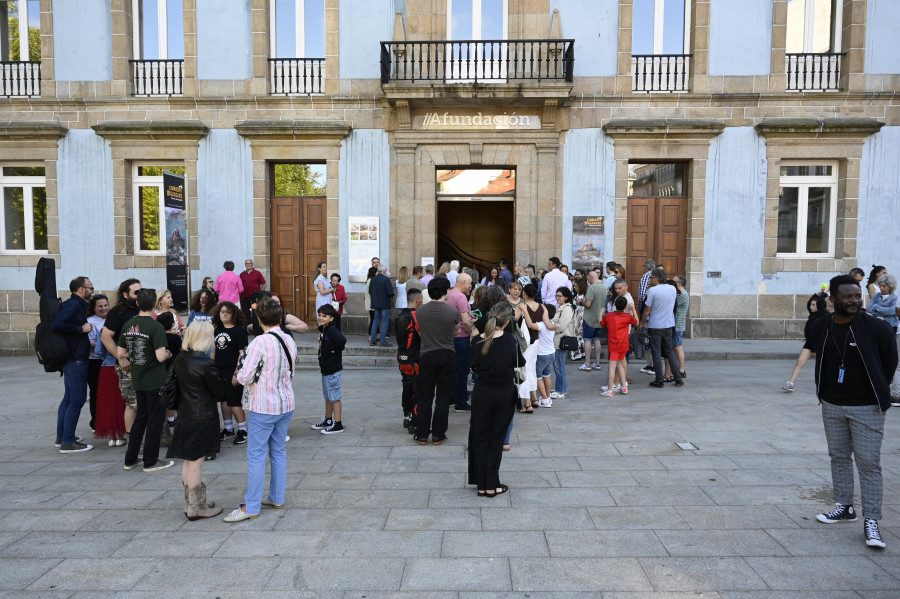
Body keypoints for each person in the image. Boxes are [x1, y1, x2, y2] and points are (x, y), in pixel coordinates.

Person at [805, 274, 897, 549]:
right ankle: (844, 506)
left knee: (869, 464)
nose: (855, 300)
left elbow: (889, 361)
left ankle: (871, 520)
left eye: (858, 296)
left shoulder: (875, 327)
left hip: (866, 406)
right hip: (832, 403)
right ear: (833, 300)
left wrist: (878, 388)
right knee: (839, 457)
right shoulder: (823, 326)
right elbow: (814, 349)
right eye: (848, 297)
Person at [225, 297, 298, 522]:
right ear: (279, 317)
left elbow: (245, 376)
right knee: (278, 451)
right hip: (285, 402)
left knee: (256, 455)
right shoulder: (288, 339)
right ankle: (277, 496)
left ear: (259, 319)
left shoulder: (260, 342)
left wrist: (241, 371)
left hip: (264, 405)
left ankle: (252, 506)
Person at [163, 321, 226, 521]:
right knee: (197, 462)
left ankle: (191, 503)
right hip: (203, 416)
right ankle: (197, 507)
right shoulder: (206, 363)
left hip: (185, 415)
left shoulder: (181, 357)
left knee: (188, 460)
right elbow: (219, 392)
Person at [468, 302, 524, 497]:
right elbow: (519, 362)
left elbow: (473, 367)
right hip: (503, 394)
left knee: (480, 437)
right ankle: (492, 484)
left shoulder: (477, 341)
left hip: (482, 392)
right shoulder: (510, 340)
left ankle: (482, 484)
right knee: (496, 439)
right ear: (507, 321)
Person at [119, 288, 175, 472]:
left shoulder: (129, 324)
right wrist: (167, 353)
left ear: (137, 303)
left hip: (138, 379)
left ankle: (130, 459)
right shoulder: (155, 326)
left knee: (141, 418)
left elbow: (121, 353)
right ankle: (150, 461)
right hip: (155, 380)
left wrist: (135, 354)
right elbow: (160, 357)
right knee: (155, 420)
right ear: (153, 304)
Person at [413, 277, 459, 445]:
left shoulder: (420, 311)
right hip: (447, 355)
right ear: (445, 291)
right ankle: (439, 435)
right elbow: (455, 331)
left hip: (426, 355)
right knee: (443, 397)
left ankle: (421, 435)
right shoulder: (452, 312)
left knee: (424, 396)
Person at [52, 276, 95, 453]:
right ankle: (68, 442)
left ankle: (62, 436)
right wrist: (80, 329)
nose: (92, 291)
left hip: (73, 358)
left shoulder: (77, 305)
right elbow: (57, 324)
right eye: (90, 288)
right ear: (81, 289)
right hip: (75, 359)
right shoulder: (73, 305)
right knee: (76, 400)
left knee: (69, 398)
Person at [100, 278, 142, 441]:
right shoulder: (117, 312)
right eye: (136, 292)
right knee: (133, 404)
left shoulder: (144, 309)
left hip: (146, 364)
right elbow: (106, 337)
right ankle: (133, 441)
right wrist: (121, 358)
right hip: (129, 365)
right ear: (125, 294)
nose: (140, 294)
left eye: (141, 291)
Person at [212, 302, 249, 448]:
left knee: (234, 402)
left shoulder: (239, 331)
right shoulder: (217, 330)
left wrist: (237, 372)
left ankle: (242, 430)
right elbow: (214, 351)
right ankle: (228, 429)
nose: (225, 314)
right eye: (222, 312)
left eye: (228, 312)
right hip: (219, 370)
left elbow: (242, 353)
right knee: (224, 401)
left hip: (232, 371)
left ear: (234, 314)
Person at [640, 268, 683, 388]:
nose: (650, 280)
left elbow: (647, 309)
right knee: (669, 352)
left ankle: (659, 380)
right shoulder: (672, 288)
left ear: (656, 278)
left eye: (651, 278)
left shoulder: (653, 290)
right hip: (669, 324)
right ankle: (678, 378)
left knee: (656, 353)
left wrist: (641, 322)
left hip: (655, 325)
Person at [783, 288, 829, 392]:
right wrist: (818, 293)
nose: (811, 306)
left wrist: (825, 293)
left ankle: (829, 385)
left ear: (820, 306)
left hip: (819, 344)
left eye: (813, 305)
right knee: (799, 362)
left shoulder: (823, 315)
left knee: (824, 365)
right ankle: (791, 383)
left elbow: (821, 302)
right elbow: (809, 302)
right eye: (811, 305)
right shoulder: (812, 314)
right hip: (809, 344)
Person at [312, 304, 347, 435]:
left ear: (332, 318)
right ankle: (328, 419)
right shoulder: (325, 329)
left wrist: (334, 351)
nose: (320, 318)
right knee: (328, 396)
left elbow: (342, 340)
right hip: (326, 369)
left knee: (335, 397)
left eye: (324, 316)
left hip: (333, 369)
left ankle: (338, 424)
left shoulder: (332, 330)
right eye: (320, 315)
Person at [599, 295, 639, 397]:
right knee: (620, 365)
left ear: (614, 305)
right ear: (625, 307)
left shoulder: (609, 316)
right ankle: (624, 386)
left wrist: (600, 314)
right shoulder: (627, 316)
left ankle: (610, 389)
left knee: (612, 367)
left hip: (613, 345)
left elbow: (601, 324)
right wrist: (634, 310)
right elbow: (636, 322)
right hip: (624, 344)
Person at [397, 287, 423, 434]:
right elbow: (422, 334)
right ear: (418, 299)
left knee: (406, 388)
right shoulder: (415, 316)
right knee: (416, 391)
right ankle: (414, 421)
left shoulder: (401, 314)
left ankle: (407, 415)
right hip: (414, 358)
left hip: (402, 357)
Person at [448, 272, 474, 412]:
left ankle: (451, 398)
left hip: (449, 338)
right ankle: (461, 402)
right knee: (462, 371)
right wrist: (471, 333)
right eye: (469, 283)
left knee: (452, 370)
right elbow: (465, 320)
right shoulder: (461, 297)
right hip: (462, 337)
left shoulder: (449, 294)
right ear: (463, 282)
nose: (470, 286)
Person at [87, 294, 110, 433]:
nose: (103, 308)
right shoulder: (90, 322)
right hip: (95, 362)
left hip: (110, 362)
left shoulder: (112, 319)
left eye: (105, 305)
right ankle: (95, 422)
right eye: (100, 306)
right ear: (94, 308)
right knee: (96, 392)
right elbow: (89, 344)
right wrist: (106, 344)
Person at [551, 287, 576, 400]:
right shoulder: (560, 307)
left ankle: (561, 391)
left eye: (560, 296)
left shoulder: (567, 309)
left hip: (560, 340)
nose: (557, 298)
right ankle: (559, 388)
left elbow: (561, 326)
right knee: (557, 366)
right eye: (556, 295)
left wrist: (549, 327)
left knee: (559, 366)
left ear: (566, 297)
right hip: (556, 339)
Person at [664, 275, 690, 381]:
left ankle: (681, 370)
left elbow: (672, 304)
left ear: (678, 284)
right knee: (675, 348)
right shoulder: (680, 294)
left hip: (678, 325)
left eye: (673, 282)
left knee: (678, 347)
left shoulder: (682, 294)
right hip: (677, 324)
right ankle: (675, 371)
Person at [580, 270, 606, 372]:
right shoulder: (604, 288)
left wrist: (580, 302)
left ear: (591, 277)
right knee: (597, 340)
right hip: (599, 318)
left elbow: (588, 304)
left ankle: (587, 363)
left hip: (589, 318)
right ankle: (597, 363)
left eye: (588, 279)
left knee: (587, 340)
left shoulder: (591, 287)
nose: (588, 281)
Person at [369, 265, 394, 347]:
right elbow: (390, 292)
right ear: (384, 271)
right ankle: (382, 341)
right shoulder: (386, 279)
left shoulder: (373, 279)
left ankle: (372, 340)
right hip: (385, 304)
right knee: (385, 322)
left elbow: (370, 292)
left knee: (375, 321)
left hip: (376, 304)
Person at [571, 279, 587, 362]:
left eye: (576, 286)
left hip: (581, 316)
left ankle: (579, 353)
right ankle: (580, 353)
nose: (574, 287)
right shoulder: (577, 294)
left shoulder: (584, 296)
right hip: (577, 315)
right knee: (579, 335)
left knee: (578, 335)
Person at [365, 266, 377, 338]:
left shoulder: (369, 280)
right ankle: (371, 335)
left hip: (370, 303)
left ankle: (373, 334)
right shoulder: (371, 281)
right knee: (373, 319)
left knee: (373, 319)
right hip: (372, 303)